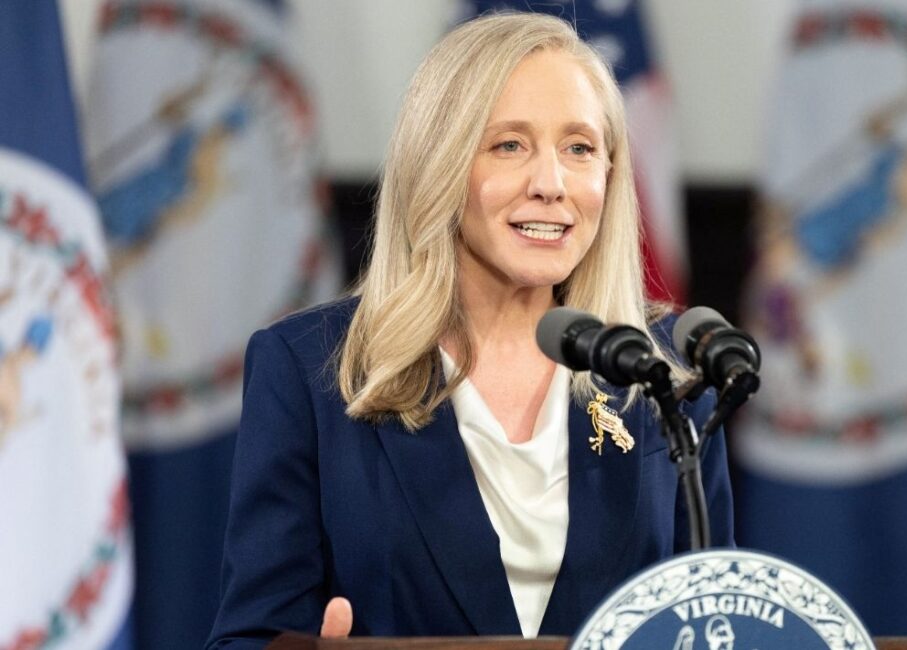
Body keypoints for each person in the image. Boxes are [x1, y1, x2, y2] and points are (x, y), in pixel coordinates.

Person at [206, 12, 733, 648]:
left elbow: (721, 624)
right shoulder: (310, 369)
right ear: (440, 164)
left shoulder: (665, 374)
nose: (550, 184)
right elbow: (249, 637)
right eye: (509, 145)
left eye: (579, 148)